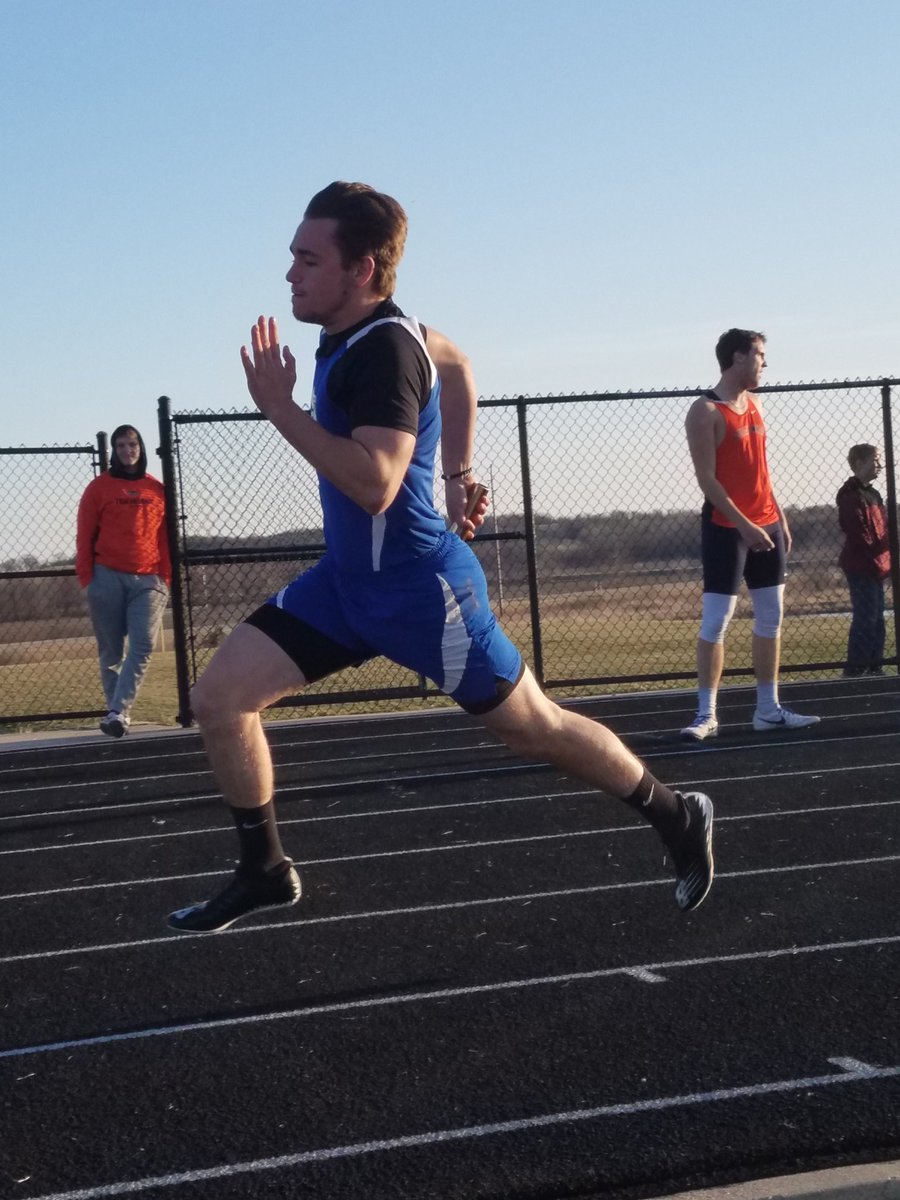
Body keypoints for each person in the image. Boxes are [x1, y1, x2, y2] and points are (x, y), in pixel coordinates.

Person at [167, 181, 714, 935]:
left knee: (533, 728)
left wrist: (281, 409)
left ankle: (677, 813)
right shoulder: (395, 332)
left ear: (361, 269)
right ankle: (264, 870)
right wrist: (460, 472)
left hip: (423, 592)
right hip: (348, 587)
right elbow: (456, 365)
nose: (290, 273)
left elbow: (375, 484)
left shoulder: (386, 352)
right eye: (292, 256)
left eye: (308, 259)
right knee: (219, 700)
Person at [680, 329, 819, 740]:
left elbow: (761, 471)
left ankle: (768, 710)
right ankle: (706, 715)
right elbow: (707, 480)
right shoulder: (704, 411)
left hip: (767, 525)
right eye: (759, 355)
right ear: (738, 357)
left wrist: (779, 518)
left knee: (771, 617)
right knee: (716, 622)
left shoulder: (756, 404)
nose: (765, 363)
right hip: (727, 529)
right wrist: (744, 523)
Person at [76, 425, 171, 737]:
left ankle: (118, 709)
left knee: (142, 645)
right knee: (111, 652)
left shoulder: (156, 490)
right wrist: (88, 578)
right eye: (120, 446)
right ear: (114, 452)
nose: (127, 451)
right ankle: (117, 714)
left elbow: (165, 538)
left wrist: (165, 577)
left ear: (140, 448)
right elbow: (84, 535)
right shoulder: (98, 488)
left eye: (132, 444)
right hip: (106, 577)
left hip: (149, 580)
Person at [837, 444, 890, 676]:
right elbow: (859, 531)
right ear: (859, 463)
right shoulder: (850, 494)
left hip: (876, 565)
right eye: (874, 460)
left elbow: (883, 529)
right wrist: (875, 554)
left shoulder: (874, 494)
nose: (879, 465)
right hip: (861, 565)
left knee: (877, 618)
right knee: (866, 617)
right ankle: (856, 669)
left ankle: (874, 666)